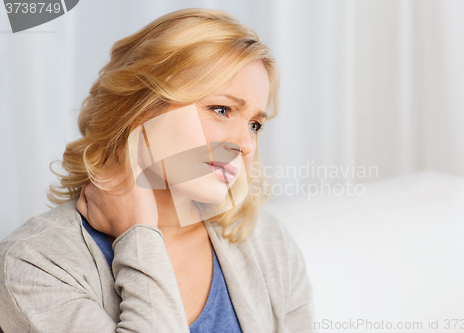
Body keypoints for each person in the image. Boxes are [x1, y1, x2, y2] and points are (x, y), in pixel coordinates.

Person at [0, 8, 315, 333]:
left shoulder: (266, 240)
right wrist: (137, 234)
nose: (245, 145)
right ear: (140, 107)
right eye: (221, 110)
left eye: (254, 125)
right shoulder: (34, 264)